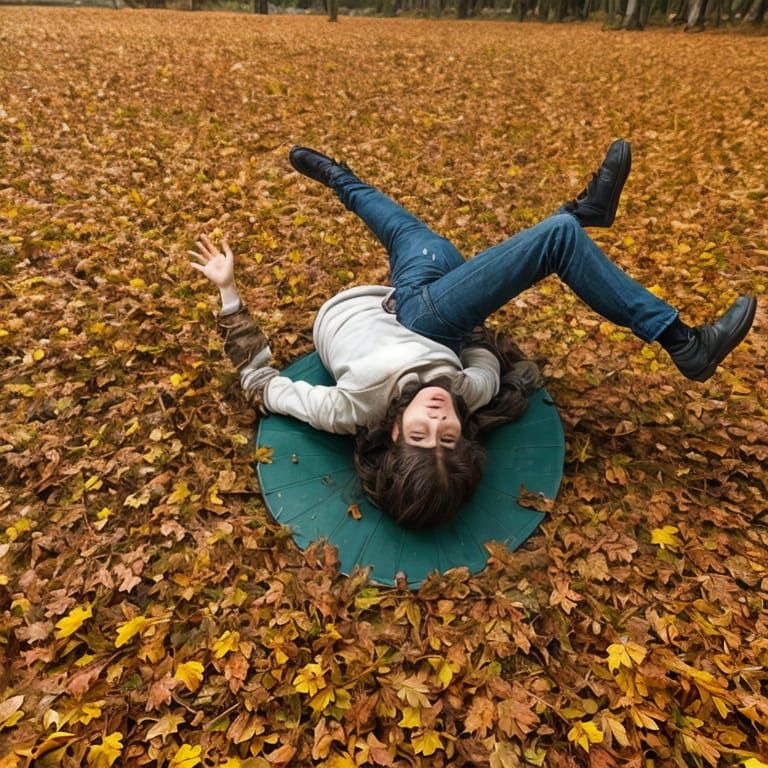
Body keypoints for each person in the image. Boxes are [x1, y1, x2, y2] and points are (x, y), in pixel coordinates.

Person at [190, 142, 757, 529]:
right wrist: (469, 323)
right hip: (431, 313)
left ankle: (578, 218)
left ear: (392, 433)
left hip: (404, 296)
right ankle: (679, 338)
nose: (437, 420)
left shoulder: (348, 408)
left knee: (419, 240)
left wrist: (229, 290)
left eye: (421, 436)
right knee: (527, 241)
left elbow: (259, 381)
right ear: (465, 437)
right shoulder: (473, 390)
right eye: (448, 437)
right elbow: (483, 349)